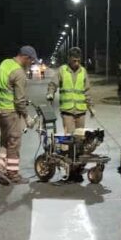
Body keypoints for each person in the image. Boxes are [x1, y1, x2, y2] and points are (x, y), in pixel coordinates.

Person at [0, 45, 37, 185]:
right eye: (31, 61)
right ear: (25, 57)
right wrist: (26, 117)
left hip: (0, 111)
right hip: (11, 112)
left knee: (6, 140)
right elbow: (19, 100)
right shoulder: (19, 73)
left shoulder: (5, 63)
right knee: (14, 143)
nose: (31, 64)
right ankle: (13, 174)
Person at [46, 47, 93, 182]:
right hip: (67, 111)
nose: (76, 63)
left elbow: (87, 91)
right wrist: (50, 93)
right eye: (74, 60)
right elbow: (53, 84)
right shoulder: (62, 70)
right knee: (70, 139)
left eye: (78, 60)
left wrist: (91, 107)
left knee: (80, 140)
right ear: (69, 59)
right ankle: (71, 170)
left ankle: (77, 168)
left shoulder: (83, 72)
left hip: (80, 111)